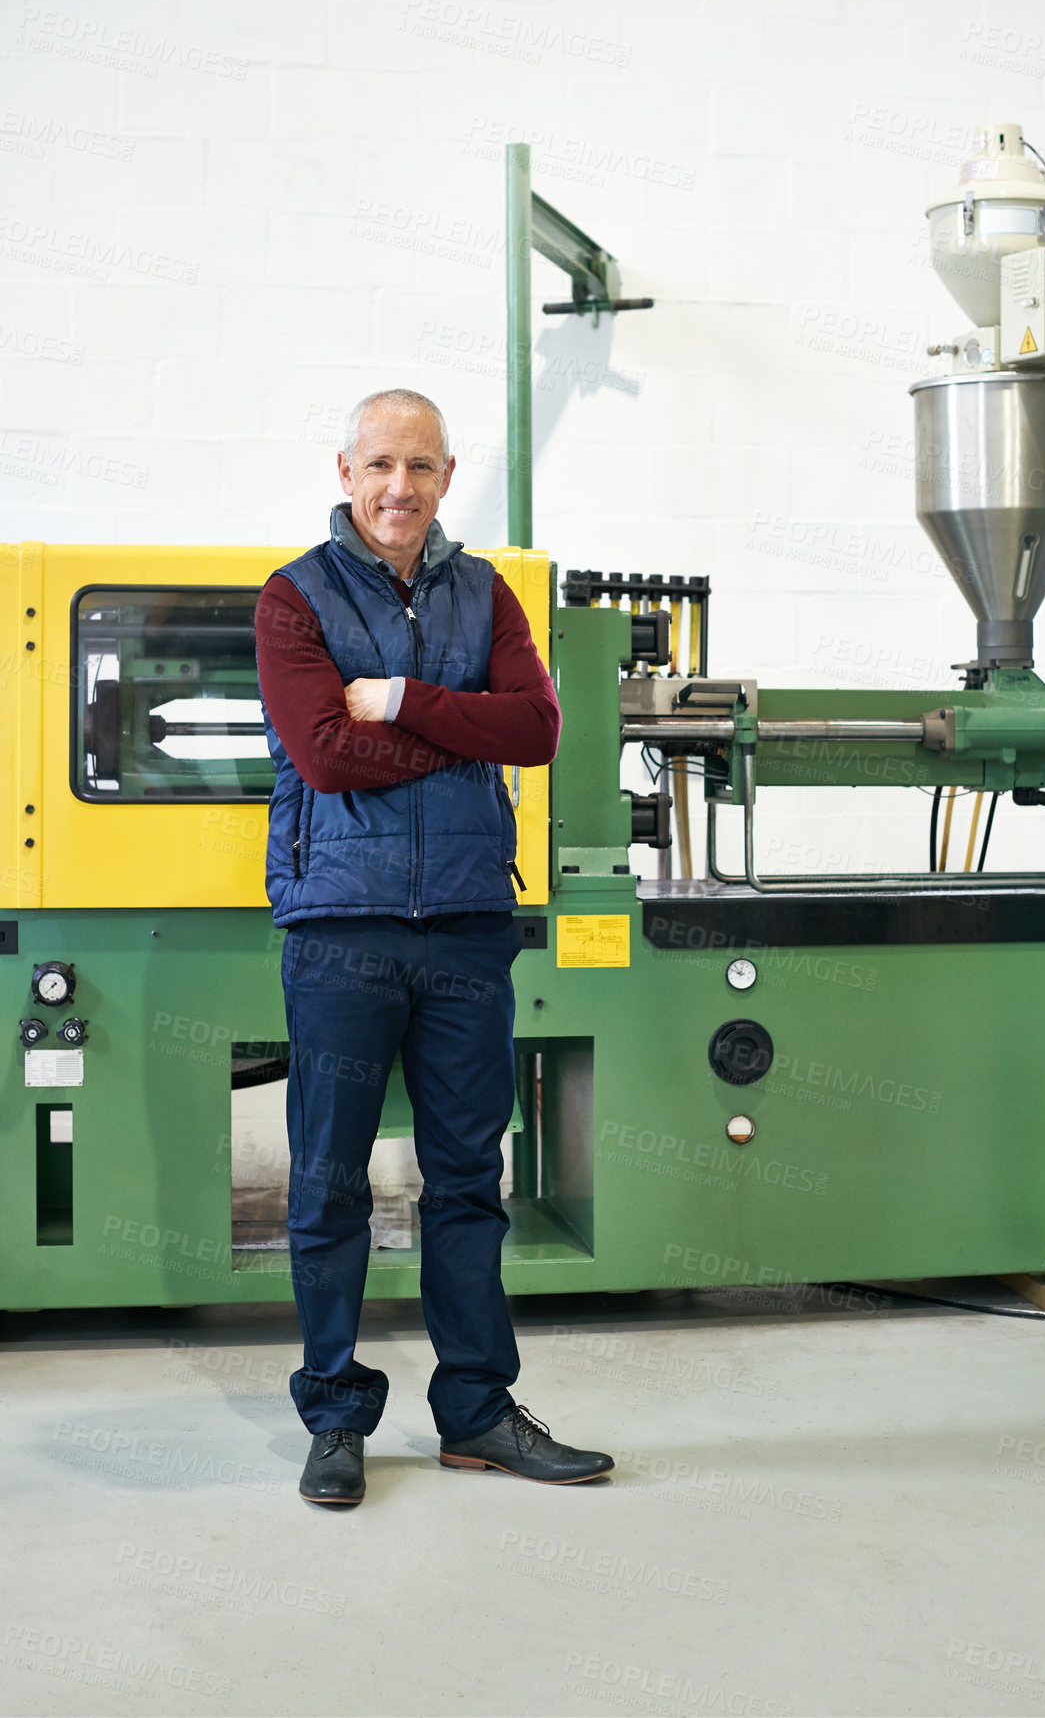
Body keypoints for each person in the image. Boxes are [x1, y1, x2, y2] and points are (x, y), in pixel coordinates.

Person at [256, 388, 614, 1505]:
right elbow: (322, 755)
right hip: (340, 926)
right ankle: (333, 1411)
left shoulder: (486, 591)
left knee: (469, 1179)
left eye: (418, 466)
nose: (397, 488)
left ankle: (474, 1412)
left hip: (465, 925)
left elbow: (539, 730)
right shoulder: (293, 598)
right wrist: (461, 737)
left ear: (447, 476)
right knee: (327, 1181)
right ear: (344, 470)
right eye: (378, 466)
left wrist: (407, 699)